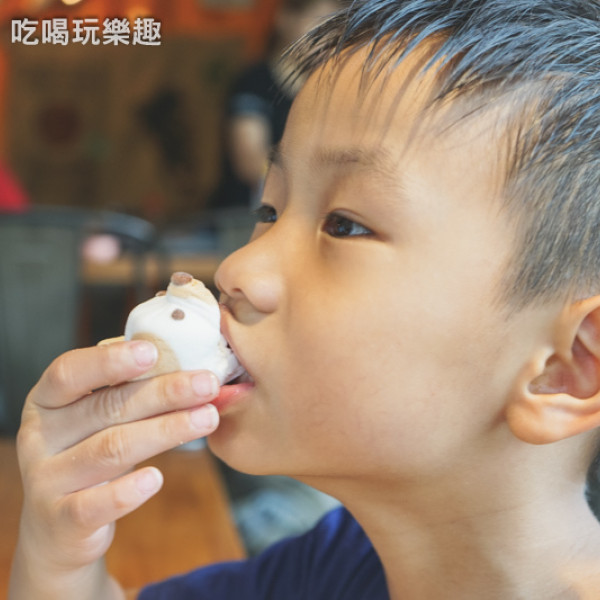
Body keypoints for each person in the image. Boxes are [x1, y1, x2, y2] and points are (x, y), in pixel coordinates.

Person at [9, 0, 600, 598]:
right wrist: (59, 556)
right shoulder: (326, 570)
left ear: (567, 369)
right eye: (268, 210)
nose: (236, 268)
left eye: (345, 225)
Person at [212, 0, 339, 210]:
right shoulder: (254, 82)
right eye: (319, 24)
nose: (327, 38)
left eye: (335, 29)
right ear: (285, 19)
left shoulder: (334, 90)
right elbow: (251, 164)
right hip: (247, 214)